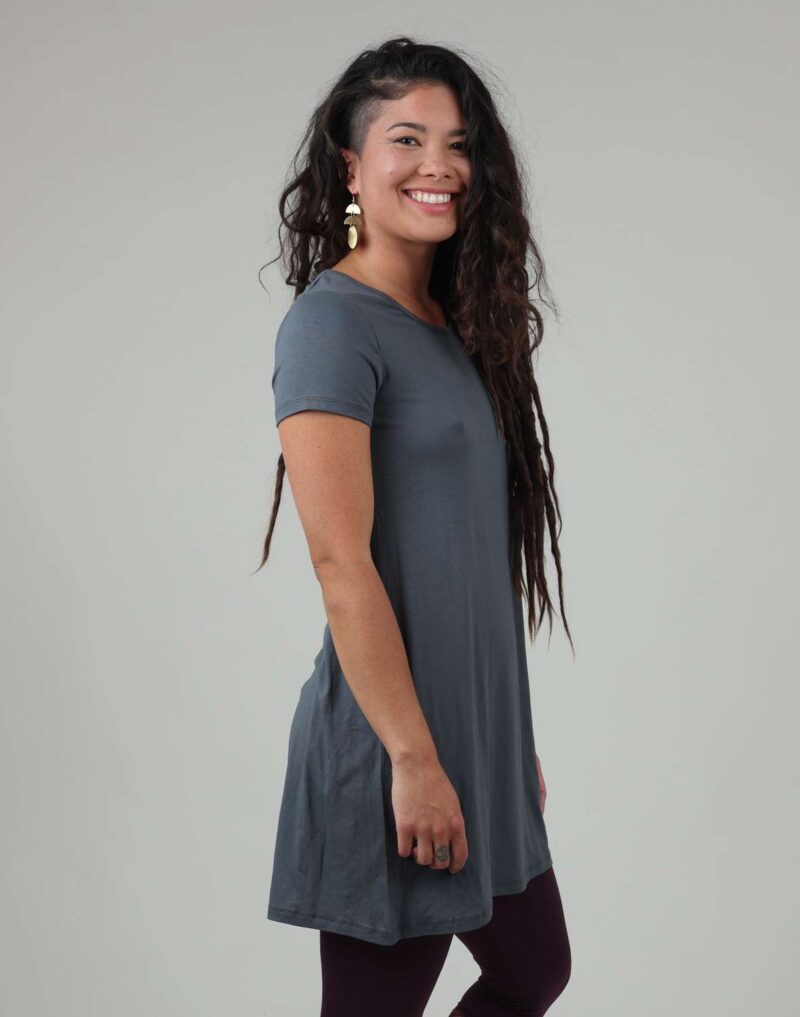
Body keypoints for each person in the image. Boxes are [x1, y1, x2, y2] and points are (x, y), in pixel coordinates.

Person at [256, 36, 574, 1017]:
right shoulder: (332, 325)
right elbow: (339, 563)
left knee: (532, 970)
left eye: (459, 143)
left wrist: (499, 737)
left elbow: (465, 556)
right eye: (406, 139)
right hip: (393, 746)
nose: (440, 164)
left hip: (471, 735)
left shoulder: (452, 327)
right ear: (351, 167)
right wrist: (415, 759)